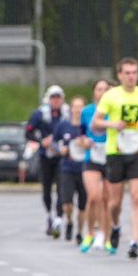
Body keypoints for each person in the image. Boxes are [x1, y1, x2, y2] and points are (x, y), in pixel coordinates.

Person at [91, 57, 138, 259]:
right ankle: (116, 225)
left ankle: (134, 241)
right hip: (115, 152)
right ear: (119, 75)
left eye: (134, 72)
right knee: (115, 203)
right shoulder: (111, 96)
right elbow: (95, 124)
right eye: (127, 72)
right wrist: (112, 124)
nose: (131, 76)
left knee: (137, 197)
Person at [25, 84, 70, 236]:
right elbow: (29, 132)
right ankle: (49, 214)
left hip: (62, 156)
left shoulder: (67, 113)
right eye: (53, 97)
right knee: (46, 188)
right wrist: (41, 140)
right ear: (48, 99)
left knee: (62, 187)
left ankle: (58, 218)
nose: (56, 100)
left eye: (58, 97)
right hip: (46, 155)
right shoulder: (40, 114)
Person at [78, 79, 113, 253]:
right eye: (99, 89)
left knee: (106, 199)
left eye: (106, 89)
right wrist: (84, 141)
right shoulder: (86, 111)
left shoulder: (113, 110)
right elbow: (80, 134)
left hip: (110, 155)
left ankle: (105, 236)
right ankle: (90, 232)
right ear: (94, 92)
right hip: (92, 156)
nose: (102, 92)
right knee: (92, 196)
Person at [52, 96, 88, 243]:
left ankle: (79, 232)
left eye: (81, 107)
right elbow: (54, 141)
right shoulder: (64, 125)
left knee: (82, 205)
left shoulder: (87, 126)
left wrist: (86, 143)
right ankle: (69, 221)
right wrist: (59, 149)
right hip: (67, 167)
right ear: (71, 108)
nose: (78, 110)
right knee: (67, 202)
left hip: (84, 168)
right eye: (76, 106)